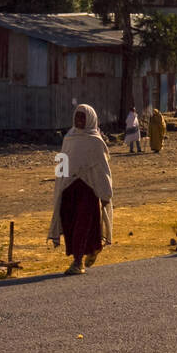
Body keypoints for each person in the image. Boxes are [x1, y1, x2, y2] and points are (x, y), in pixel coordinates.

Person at [47, 104, 113, 276]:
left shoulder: (96, 141)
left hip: (88, 190)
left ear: (90, 119)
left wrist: (106, 194)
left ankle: (78, 262)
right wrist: (59, 186)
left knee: (82, 225)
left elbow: (103, 170)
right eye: (77, 117)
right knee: (71, 224)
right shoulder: (69, 137)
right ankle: (93, 249)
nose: (79, 120)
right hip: (69, 190)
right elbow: (62, 163)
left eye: (83, 117)